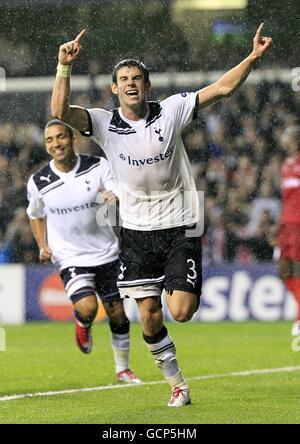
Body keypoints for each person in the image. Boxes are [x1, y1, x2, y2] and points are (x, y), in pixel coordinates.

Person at [51, 24, 272, 407]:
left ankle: (173, 345)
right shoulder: (103, 122)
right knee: (150, 318)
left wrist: (251, 58)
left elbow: (221, 88)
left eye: (137, 78)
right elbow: (58, 112)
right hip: (136, 232)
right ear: (114, 89)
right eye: (124, 79)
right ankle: (179, 385)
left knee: (181, 311)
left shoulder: (171, 110)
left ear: (148, 86)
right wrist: (63, 67)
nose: (131, 83)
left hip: (180, 224)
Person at [26, 119, 141, 384]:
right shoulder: (39, 181)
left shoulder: (96, 166)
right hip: (71, 256)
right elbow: (35, 214)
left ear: (72, 139)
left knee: (117, 313)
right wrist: (43, 245)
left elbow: (115, 187)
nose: (57, 144)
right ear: (46, 146)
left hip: (107, 252)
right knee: (87, 308)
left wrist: (114, 196)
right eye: (50, 140)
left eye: (61, 137)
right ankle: (83, 324)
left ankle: (122, 369)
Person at [273, 126, 300, 337]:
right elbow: (286, 199)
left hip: (298, 225)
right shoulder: (286, 165)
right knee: (283, 269)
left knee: (296, 269)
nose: (283, 139)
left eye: (286, 136)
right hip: (287, 225)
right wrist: (279, 224)